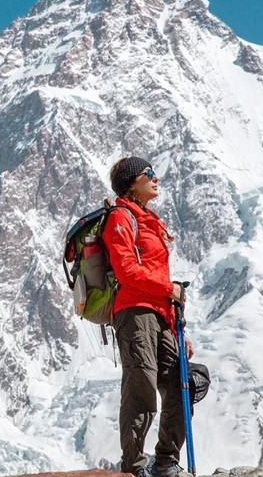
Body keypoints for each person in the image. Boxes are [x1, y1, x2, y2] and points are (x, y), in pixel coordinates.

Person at [102, 156, 193, 477]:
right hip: (134, 312)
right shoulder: (120, 217)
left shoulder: (148, 220)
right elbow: (126, 270)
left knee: (182, 384)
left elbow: (154, 275)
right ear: (131, 183)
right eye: (148, 173)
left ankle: (166, 461)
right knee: (140, 389)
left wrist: (177, 328)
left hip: (161, 315)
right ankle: (134, 468)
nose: (156, 178)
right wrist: (169, 288)